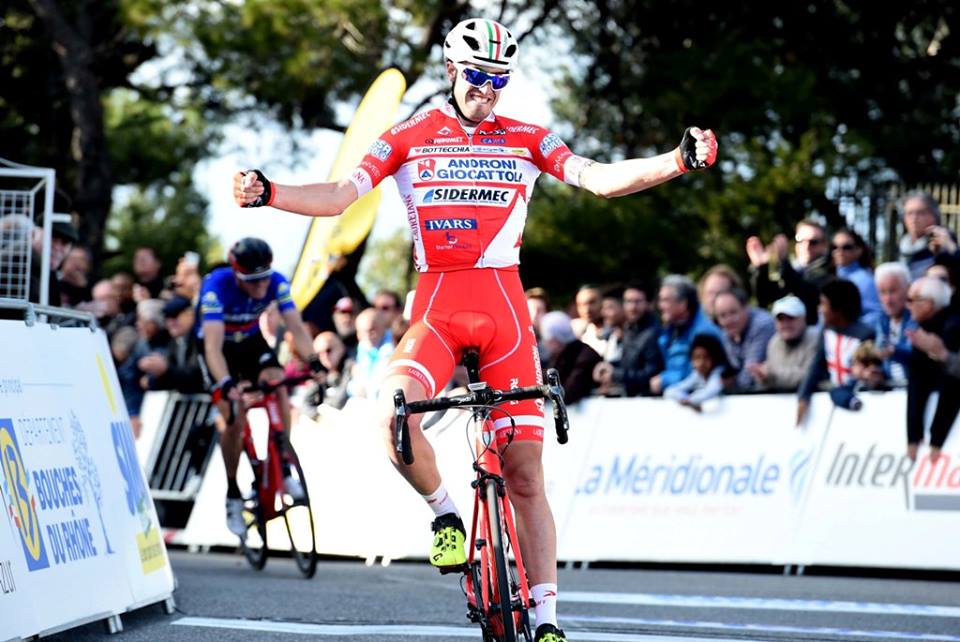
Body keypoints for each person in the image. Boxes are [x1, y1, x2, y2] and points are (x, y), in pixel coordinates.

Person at [233, 17, 717, 641]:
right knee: (392, 415)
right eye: (478, 76)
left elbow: (599, 178)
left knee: (523, 474)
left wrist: (676, 160)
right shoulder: (408, 135)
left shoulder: (525, 136)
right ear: (450, 71)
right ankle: (445, 515)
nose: (488, 90)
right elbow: (336, 196)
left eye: (500, 79)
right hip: (436, 308)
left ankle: (545, 618)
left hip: (505, 314)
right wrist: (269, 191)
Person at [197, 237, 325, 537]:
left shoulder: (277, 282)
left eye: (263, 279)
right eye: (252, 282)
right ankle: (232, 492)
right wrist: (227, 383)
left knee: (277, 382)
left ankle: (282, 461)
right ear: (236, 274)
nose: (260, 288)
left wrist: (314, 362)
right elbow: (213, 348)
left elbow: (295, 326)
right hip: (218, 347)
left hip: (250, 341)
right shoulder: (216, 286)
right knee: (233, 416)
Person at [796, 279, 876, 426]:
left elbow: (871, 369)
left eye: (823, 303)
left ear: (838, 308)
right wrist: (803, 397)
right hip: (837, 393)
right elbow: (816, 365)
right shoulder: (826, 332)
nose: (819, 309)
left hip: (864, 397)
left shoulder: (865, 334)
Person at [904, 276, 960, 462]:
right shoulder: (923, 329)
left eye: (911, 300)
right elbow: (916, 382)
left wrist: (937, 440)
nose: (907, 305)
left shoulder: (954, 325)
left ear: (928, 303)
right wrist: (913, 436)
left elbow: (953, 385)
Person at [747, 219, 832, 325]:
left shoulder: (831, 271)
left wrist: (784, 262)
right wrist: (761, 269)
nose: (806, 246)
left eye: (813, 242)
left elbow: (806, 292)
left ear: (824, 245)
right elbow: (764, 300)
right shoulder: (791, 270)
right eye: (800, 240)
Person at [650, 275, 722, 395]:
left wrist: (664, 380)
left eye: (665, 300)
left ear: (683, 303)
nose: (660, 306)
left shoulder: (704, 332)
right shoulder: (669, 330)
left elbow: (699, 371)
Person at [593, 284, 661, 396]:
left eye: (638, 302)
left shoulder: (654, 333)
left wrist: (615, 374)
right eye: (628, 301)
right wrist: (607, 366)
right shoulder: (629, 329)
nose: (632, 307)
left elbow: (652, 374)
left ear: (649, 304)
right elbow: (629, 364)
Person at [747, 295, 819, 392]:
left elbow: (810, 377)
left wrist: (771, 374)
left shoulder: (816, 338)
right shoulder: (774, 342)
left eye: (790, 318)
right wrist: (762, 376)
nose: (785, 324)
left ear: (803, 318)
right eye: (780, 319)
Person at [139, 295, 205, 394]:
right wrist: (154, 378)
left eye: (174, 316)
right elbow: (171, 379)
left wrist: (165, 369)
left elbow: (196, 377)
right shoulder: (175, 342)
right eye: (167, 317)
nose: (170, 322)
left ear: (190, 314)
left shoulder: (201, 339)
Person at [712, 287, 775, 391]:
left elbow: (748, 376)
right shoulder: (727, 332)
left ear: (746, 308)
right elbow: (731, 369)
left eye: (733, 312)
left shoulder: (762, 325)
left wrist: (722, 387)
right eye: (722, 316)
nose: (728, 320)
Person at [540, 311, 602, 404]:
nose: (545, 343)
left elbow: (568, 394)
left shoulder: (584, 357)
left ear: (555, 339)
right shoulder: (560, 354)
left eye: (548, 339)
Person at [873, 262, 916, 387]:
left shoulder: (917, 316)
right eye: (882, 292)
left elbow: (918, 356)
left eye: (892, 291)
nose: (888, 300)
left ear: (908, 289)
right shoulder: (882, 319)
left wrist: (894, 351)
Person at [898, 191, 957, 280]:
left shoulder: (943, 243)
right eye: (909, 213)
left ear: (934, 216)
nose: (914, 218)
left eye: (920, 212)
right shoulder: (903, 246)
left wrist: (951, 249)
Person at [663, 333, 730, 412]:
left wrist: (692, 400)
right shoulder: (697, 375)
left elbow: (711, 390)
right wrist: (684, 398)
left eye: (706, 357)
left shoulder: (720, 373)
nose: (701, 362)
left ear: (714, 358)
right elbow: (670, 391)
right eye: (697, 358)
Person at [830, 228, 882, 327]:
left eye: (846, 247)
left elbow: (876, 315)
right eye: (834, 247)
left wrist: (850, 329)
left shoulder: (866, 280)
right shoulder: (830, 277)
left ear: (859, 250)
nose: (839, 251)